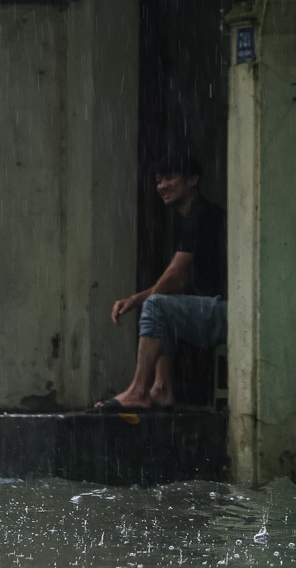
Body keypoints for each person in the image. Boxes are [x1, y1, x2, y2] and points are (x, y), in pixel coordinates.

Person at [96, 153, 226, 412]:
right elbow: (177, 286)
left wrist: (144, 302)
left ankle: (138, 391)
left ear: (193, 180)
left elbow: (175, 275)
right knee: (160, 305)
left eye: (169, 178)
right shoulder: (193, 217)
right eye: (158, 181)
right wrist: (137, 299)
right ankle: (161, 388)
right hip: (218, 308)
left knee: (158, 307)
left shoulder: (202, 215)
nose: (161, 186)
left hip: (228, 311)